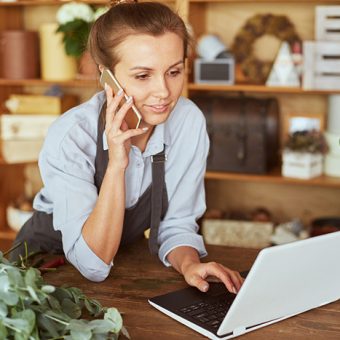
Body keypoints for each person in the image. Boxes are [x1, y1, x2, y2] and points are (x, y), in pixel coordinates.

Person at [11, 0, 243, 294]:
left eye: (174, 71)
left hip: (116, 269)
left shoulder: (188, 122)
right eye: (143, 76)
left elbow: (178, 223)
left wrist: (189, 265)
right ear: (106, 76)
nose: (163, 92)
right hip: (38, 274)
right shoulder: (71, 136)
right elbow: (92, 265)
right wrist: (117, 163)